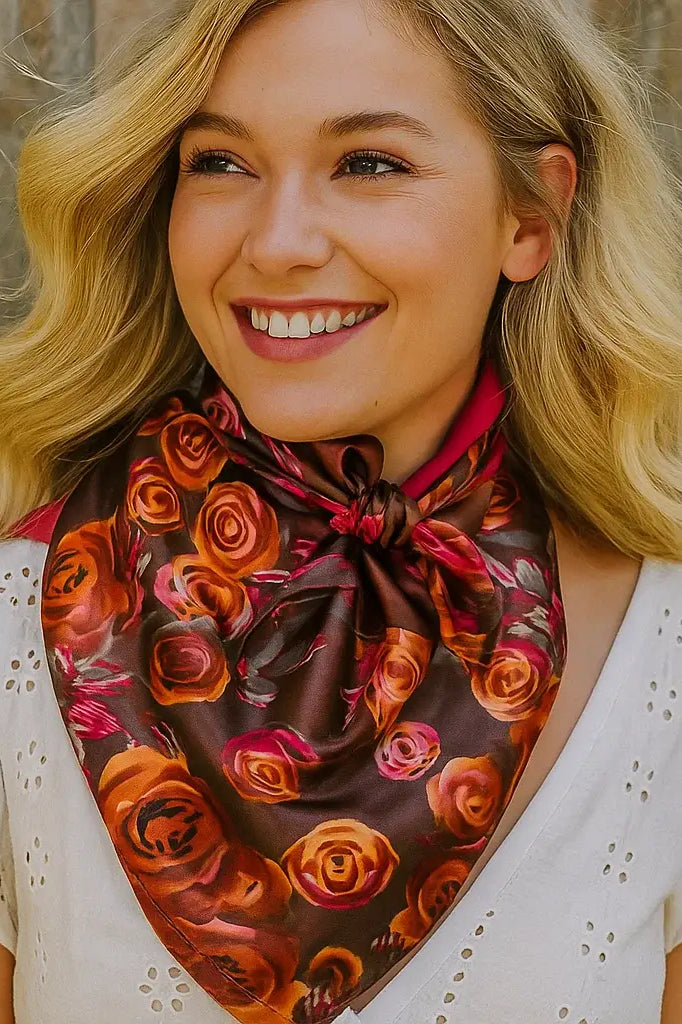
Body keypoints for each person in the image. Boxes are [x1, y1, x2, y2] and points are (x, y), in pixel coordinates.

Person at [0, 0, 681, 1020]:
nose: (275, 244)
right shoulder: (18, 614)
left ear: (531, 217)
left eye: (369, 163)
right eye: (219, 163)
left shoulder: (662, 649)